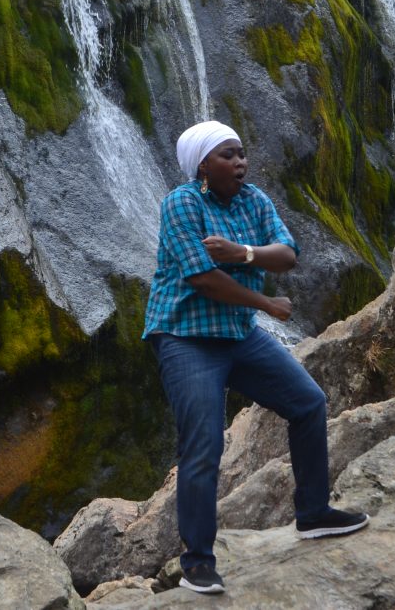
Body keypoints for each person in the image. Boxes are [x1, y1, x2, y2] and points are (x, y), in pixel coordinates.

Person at [142, 120, 370, 595]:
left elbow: (287, 255)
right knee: (203, 443)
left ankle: (312, 514)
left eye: (242, 153)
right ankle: (197, 562)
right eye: (228, 155)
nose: (240, 162)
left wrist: (243, 253)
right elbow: (202, 278)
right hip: (185, 338)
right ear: (203, 165)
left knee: (308, 402)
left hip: (238, 334)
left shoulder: (255, 200)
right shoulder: (181, 203)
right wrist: (267, 304)